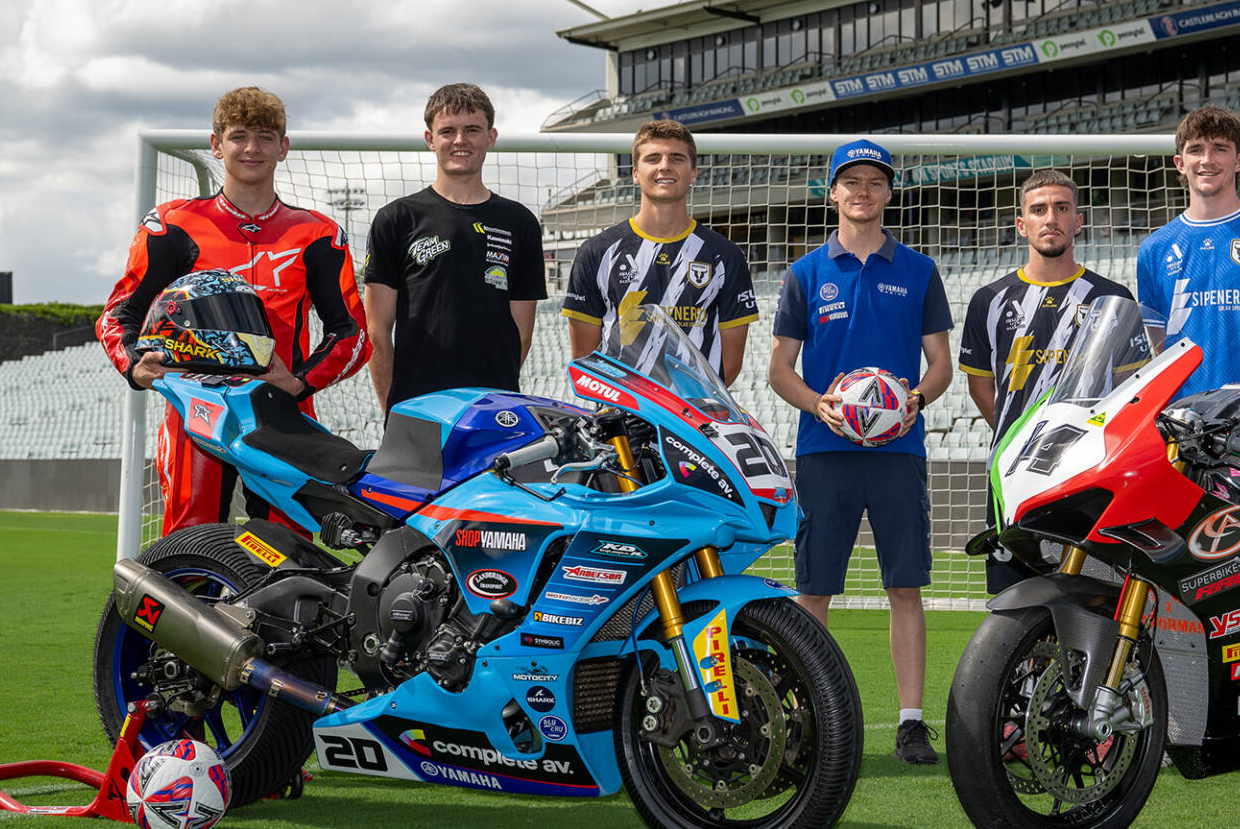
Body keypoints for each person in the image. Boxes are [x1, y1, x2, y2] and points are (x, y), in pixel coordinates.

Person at [98, 86, 370, 534]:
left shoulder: (317, 233)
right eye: (239, 136)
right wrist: (133, 361)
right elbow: (119, 312)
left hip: (283, 411)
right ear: (216, 144)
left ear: (283, 147)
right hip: (195, 411)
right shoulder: (173, 225)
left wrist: (299, 382)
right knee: (190, 540)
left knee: (289, 548)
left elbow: (352, 333)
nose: (251, 148)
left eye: (264, 137)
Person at [770, 139, 953, 765]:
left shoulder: (919, 271)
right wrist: (817, 403)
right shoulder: (805, 273)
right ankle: (807, 719)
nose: (863, 192)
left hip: (898, 451)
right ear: (833, 193)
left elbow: (940, 364)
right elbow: (778, 369)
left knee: (905, 586)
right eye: (851, 182)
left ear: (889, 193)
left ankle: (911, 722)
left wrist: (915, 400)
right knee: (814, 589)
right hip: (824, 450)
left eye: (875, 181)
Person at [959, 168, 1132, 592]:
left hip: (1088, 475)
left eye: (1061, 208)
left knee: (1092, 596)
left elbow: (1129, 387)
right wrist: (1022, 437)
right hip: (1013, 473)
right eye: (1038, 210)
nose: (1050, 218)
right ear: (1021, 225)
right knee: (1013, 599)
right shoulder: (989, 300)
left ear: (1078, 221)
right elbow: (981, 386)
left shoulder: (1112, 298)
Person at [362, 83, 548, 411]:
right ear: (430, 139)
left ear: (490, 137)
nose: (460, 140)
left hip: (495, 406)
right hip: (418, 408)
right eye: (447, 131)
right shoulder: (396, 219)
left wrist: (489, 396)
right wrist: (395, 412)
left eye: (472, 130)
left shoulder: (520, 222)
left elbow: (521, 334)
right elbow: (377, 333)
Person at [562, 119, 757, 385]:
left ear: (693, 173)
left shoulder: (725, 255)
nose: (664, 166)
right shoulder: (597, 252)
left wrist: (684, 402)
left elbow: (729, 365)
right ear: (635, 173)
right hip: (621, 408)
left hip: (696, 409)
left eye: (676, 158)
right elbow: (585, 358)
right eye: (653, 158)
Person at [1135, 106, 1240, 393]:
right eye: (1195, 150)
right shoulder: (1154, 249)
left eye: (1219, 148)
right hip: (1183, 412)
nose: (1207, 160)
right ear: (1180, 163)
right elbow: (1159, 348)